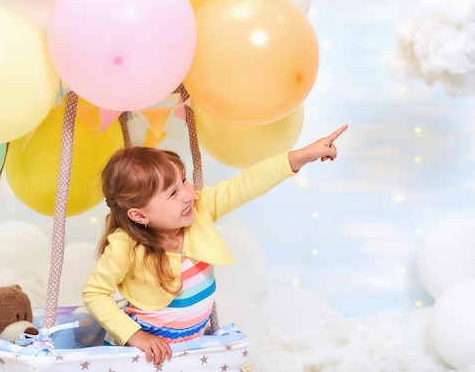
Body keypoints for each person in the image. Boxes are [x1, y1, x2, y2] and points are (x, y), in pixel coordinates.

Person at [82, 124, 348, 366]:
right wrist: (135, 336)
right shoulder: (125, 246)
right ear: (140, 215)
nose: (188, 194)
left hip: (191, 349)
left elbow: (247, 184)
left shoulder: (200, 209)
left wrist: (301, 155)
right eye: (173, 193)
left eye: (183, 181)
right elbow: (95, 293)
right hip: (147, 355)